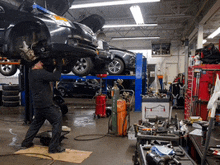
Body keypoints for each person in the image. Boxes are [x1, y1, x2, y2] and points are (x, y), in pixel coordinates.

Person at [21, 58, 65, 153]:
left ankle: (26, 143)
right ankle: (54, 147)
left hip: (38, 104)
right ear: (35, 65)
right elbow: (56, 77)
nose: (41, 63)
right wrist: (59, 65)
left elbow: (47, 74)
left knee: (36, 123)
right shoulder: (39, 73)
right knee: (57, 120)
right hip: (45, 104)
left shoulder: (31, 74)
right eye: (39, 62)